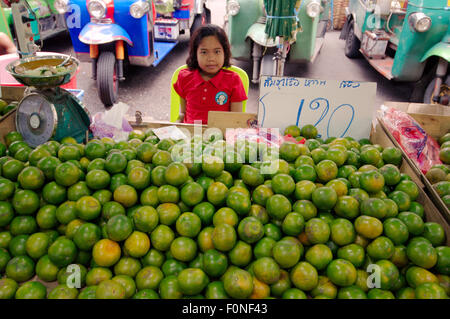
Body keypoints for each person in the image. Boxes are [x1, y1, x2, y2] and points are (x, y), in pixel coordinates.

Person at [173, 24, 248, 124]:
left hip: (221, 137)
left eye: (217, 52)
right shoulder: (184, 77)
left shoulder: (234, 81)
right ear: (195, 54)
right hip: (189, 136)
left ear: (225, 53)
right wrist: (176, 124)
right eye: (204, 52)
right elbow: (183, 113)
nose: (211, 58)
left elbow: (236, 121)